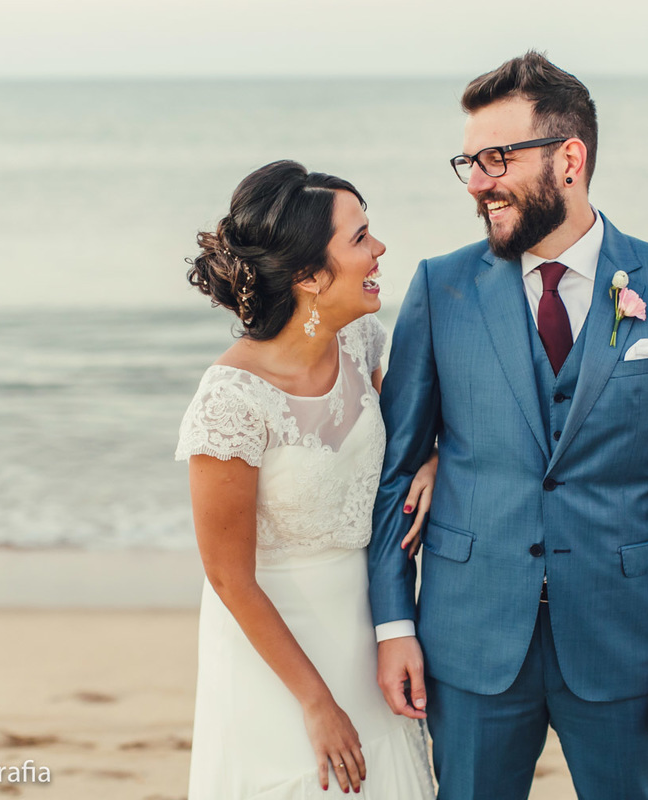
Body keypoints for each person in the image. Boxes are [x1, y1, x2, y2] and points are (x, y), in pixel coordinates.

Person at [369, 52, 648, 800]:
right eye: (468, 162)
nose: (477, 182)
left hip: (625, 638)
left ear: (569, 159)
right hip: (467, 636)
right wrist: (393, 625)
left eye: (496, 158)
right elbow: (393, 471)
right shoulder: (440, 288)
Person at [175, 160, 436, 799]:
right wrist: (315, 703)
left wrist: (429, 461)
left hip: (366, 622)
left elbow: (402, 444)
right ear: (310, 276)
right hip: (275, 653)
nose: (379, 250)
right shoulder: (230, 403)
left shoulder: (360, 343)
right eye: (360, 238)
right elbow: (228, 575)